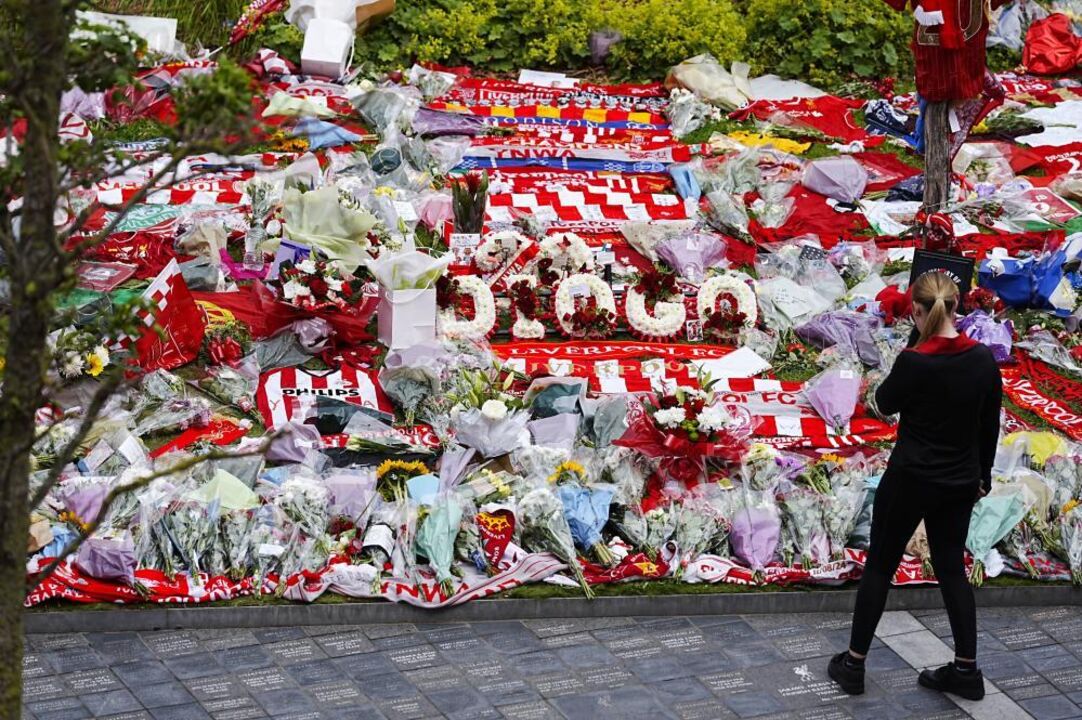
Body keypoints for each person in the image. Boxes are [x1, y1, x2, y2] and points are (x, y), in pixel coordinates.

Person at [828, 271, 1002, 701]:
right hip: (959, 480)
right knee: (950, 571)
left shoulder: (915, 361)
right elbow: (990, 426)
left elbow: (884, 403)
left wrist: (911, 345)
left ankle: (854, 663)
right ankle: (966, 670)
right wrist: (983, 476)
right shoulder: (982, 360)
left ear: (920, 313)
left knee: (881, 567)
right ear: (957, 307)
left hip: (911, 478)